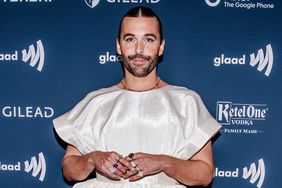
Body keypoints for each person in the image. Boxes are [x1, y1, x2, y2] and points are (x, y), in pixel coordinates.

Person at [53, 6, 221, 188]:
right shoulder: (96, 102)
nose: (139, 49)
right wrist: (93, 159)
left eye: (149, 39)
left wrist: (164, 162)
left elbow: (204, 175)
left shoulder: (185, 102)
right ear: (118, 46)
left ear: (161, 46)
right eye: (130, 39)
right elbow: (69, 171)